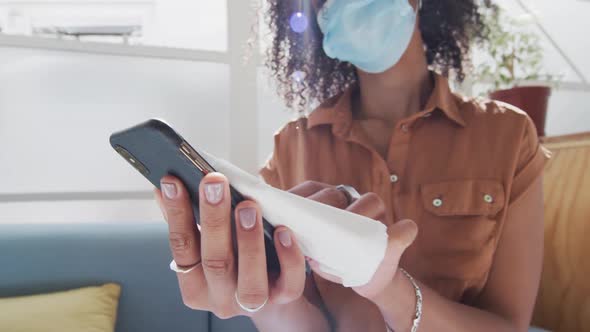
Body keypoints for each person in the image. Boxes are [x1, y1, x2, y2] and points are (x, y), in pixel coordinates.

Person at [155, 0, 552, 331]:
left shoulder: (508, 136)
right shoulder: (292, 146)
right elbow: (303, 320)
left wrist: (387, 288)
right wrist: (267, 303)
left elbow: (509, 324)